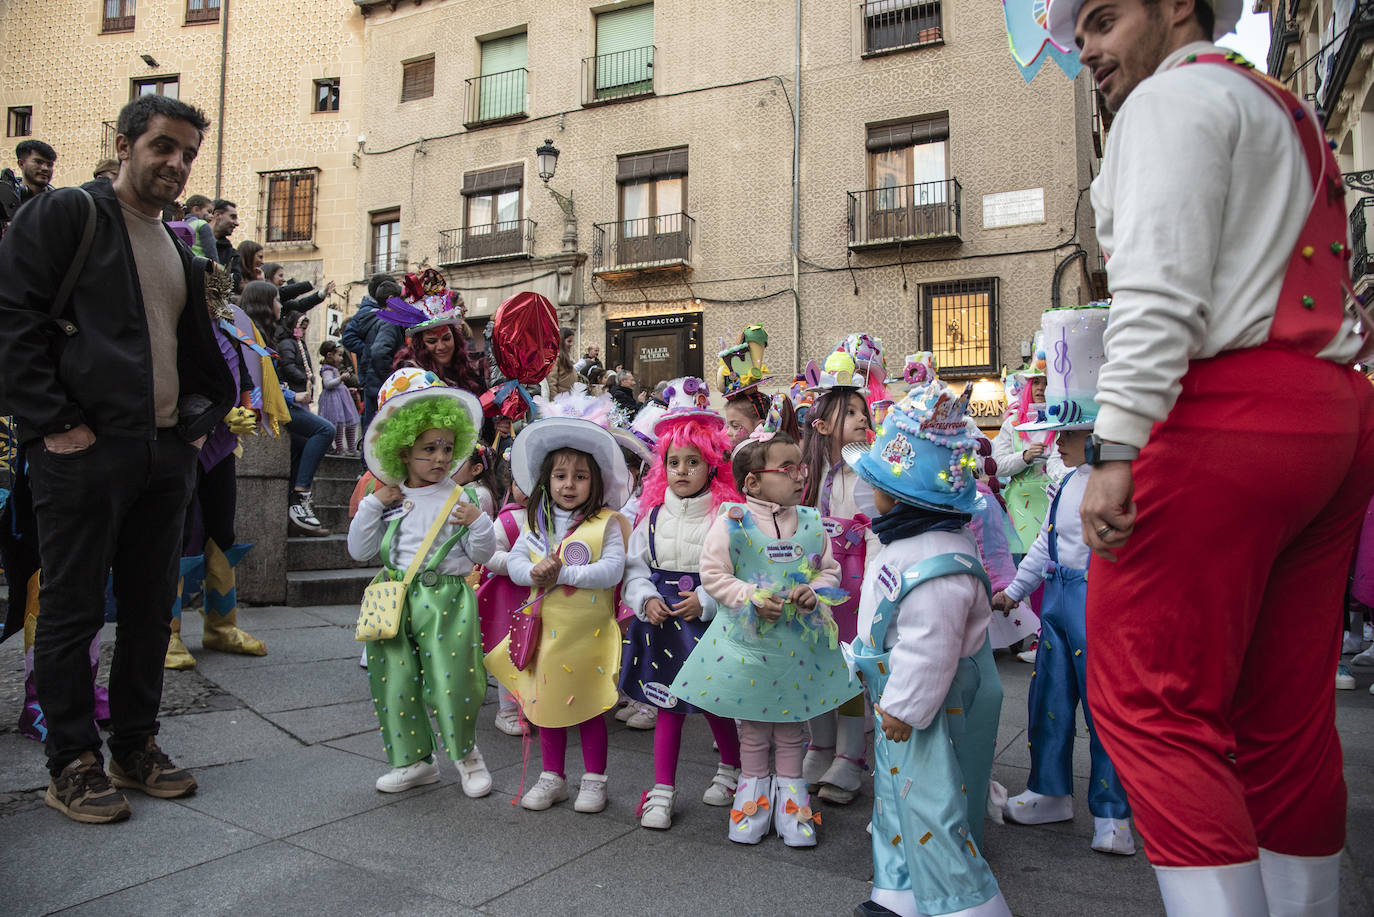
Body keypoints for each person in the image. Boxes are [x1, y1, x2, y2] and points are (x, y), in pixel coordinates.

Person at [1046, 0, 1374, 911]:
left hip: (1226, 413)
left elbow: (1158, 289)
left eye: (1105, 21)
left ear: (1178, 7)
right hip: (1331, 411)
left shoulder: (1167, 104)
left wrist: (1115, 446)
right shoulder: (1283, 108)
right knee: (1287, 715)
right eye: (1079, 40)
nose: (1092, 53)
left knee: (1151, 703)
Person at [0, 93, 236, 824]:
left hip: (162, 455)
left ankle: (135, 745)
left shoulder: (180, 245)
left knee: (148, 610)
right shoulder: (69, 213)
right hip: (82, 452)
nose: (176, 162)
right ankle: (71, 761)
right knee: (72, 612)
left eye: (189, 153)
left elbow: (192, 350)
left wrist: (194, 426)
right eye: (163, 146)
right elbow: (12, 320)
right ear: (127, 142)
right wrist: (55, 426)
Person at [843, 379, 1012, 917]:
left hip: (922, 703)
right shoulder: (916, 544)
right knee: (896, 799)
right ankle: (897, 892)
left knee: (932, 805)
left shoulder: (934, 560)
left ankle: (966, 904)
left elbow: (931, 645)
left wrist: (904, 706)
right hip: (900, 694)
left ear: (901, 495)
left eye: (876, 485)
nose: (870, 494)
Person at [670, 403, 856, 847]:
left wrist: (815, 590)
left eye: (801, 467)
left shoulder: (812, 522)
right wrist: (750, 597)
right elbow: (713, 575)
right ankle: (752, 792)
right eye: (788, 468)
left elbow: (828, 570)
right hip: (749, 645)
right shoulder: (731, 524)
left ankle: (792, 795)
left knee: (792, 723)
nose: (800, 476)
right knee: (753, 725)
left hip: (798, 644)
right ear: (753, 481)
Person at [990, 306, 1135, 856]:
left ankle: (1112, 810)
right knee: (1048, 700)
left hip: (1104, 604)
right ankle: (1049, 789)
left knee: (1105, 709)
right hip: (1058, 603)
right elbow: (1047, 545)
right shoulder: (1067, 480)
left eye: (1066, 433)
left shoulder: (1121, 483)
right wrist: (1015, 593)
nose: (1055, 443)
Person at [348, 367, 495, 797]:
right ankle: (413, 761)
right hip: (394, 597)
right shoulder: (388, 496)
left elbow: (482, 556)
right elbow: (359, 550)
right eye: (428, 448)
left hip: (448, 598)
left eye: (447, 448)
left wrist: (479, 522)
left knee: (455, 681)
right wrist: (374, 505)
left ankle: (468, 757)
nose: (440, 458)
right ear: (404, 450)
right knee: (394, 680)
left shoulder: (463, 497)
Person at [483, 393, 631, 815]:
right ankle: (552, 776)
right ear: (546, 479)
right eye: (561, 475)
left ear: (596, 481)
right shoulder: (535, 522)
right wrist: (530, 574)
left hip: (590, 634)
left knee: (588, 706)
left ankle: (594, 780)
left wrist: (561, 574)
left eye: (580, 476)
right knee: (546, 705)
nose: (569, 484)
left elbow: (611, 570)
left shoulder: (607, 524)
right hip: (546, 632)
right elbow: (513, 562)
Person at [620, 378, 744, 830]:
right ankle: (662, 789)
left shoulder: (727, 516)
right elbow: (635, 568)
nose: (683, 471)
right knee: (666, 702)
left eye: (694, 462)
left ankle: (731, 768)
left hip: (707, 623)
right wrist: (645, 598)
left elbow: (738, 571)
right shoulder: (650, 517)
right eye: (674, 462)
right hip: (661, 622)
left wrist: (708, 601)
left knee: (715, 702)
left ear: (712, 465)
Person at [165, 262, 288, 670]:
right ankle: (167, 632)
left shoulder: (226, 322)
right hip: (182, 443)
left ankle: (220, 625)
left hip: (221, 446)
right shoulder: (177, 322)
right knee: (176, 535)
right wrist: (216, 416)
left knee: (222, 531)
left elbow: (243, 375)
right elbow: (175, 381)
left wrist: (246, 409)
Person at [792, 349, 879, 807]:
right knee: (815, 665)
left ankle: (849, 754)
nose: (863, 420)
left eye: (865, 413)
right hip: (816, 578)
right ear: (822, 423)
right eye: (850, 413)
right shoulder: (809, 472)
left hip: (857, 580)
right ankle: (819, 744)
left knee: (849, 669)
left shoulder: (870, 470)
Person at [240, 283, 334, 535]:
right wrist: (293, 395)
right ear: (263, 304)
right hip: (268, 405)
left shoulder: (263, 333)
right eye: (277, 300)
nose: (281, 306)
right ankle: (301, 496)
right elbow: (257, 381)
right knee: (325, 430)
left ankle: (293, 503)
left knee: (302, 443)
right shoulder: (251, 334)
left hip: (278, 401)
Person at [475, 477, 530, 736]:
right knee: (509, 653)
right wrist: (521, 564)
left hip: (543, 598)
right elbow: (490, 554)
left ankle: (534, 704)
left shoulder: (558, 518)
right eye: (520, 484)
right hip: (510, 599)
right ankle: (507, 709)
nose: (527, 490)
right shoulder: (508, 520)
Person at [379, 270, 486, 396]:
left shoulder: (472, 367)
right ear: (420, 344)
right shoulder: (412, 376)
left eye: (446, 338)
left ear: (455, 338)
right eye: (432, 341)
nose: (441, 347)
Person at [342, 273, 404, 440]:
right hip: (378, 382)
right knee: (376, 433)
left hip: (372, 379)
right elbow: (377, 350)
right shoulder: (383, 318)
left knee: (372, 430)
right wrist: (368, 352)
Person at [0, 139, 56, 238]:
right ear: (21, 164)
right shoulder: (4, 199)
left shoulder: (58, 203)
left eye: (49, 164)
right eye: (38, 162)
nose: (45, 168)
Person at [318, 340, 360, 455]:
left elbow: (336, 384)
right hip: (332, 401)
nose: (341, 358)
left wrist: (345, 388)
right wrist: (341, 379)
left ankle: (351, 448)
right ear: (329, 355)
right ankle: (340, 447)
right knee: (339, 425)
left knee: (350, 422)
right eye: (339, 355)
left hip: (340, 398)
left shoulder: (334, 369)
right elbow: (328, 384)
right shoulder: (327, 369)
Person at [265, 261, 336, 314]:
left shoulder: (281, 302)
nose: (283, 280)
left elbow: (300, 305)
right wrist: (311, 284)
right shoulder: (264, 297)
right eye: (280, 276)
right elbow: (286, 291)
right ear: (268, 277)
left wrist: (322, 293)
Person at [546, 328, 578, 398]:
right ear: (561, 341)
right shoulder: (556, 358)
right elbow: (551, 382)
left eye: (572, 342)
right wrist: (555, 402)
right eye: (569, 341)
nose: (571, 344)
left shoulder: (568, 358)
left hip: (568, 398)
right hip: (560, 399)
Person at [210, 198, 239, 276]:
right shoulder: (192, 241)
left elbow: (235, 281)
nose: (237, 223)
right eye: (233, 217)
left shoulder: (231, 254)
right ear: (217, 215)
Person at [182, 193, 216, 258]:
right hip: (201, 264)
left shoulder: (182, 224)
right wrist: (216, 266)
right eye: (209, 212)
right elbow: (211, 250)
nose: (212, 216)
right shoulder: (202, 224)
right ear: (196, 210)